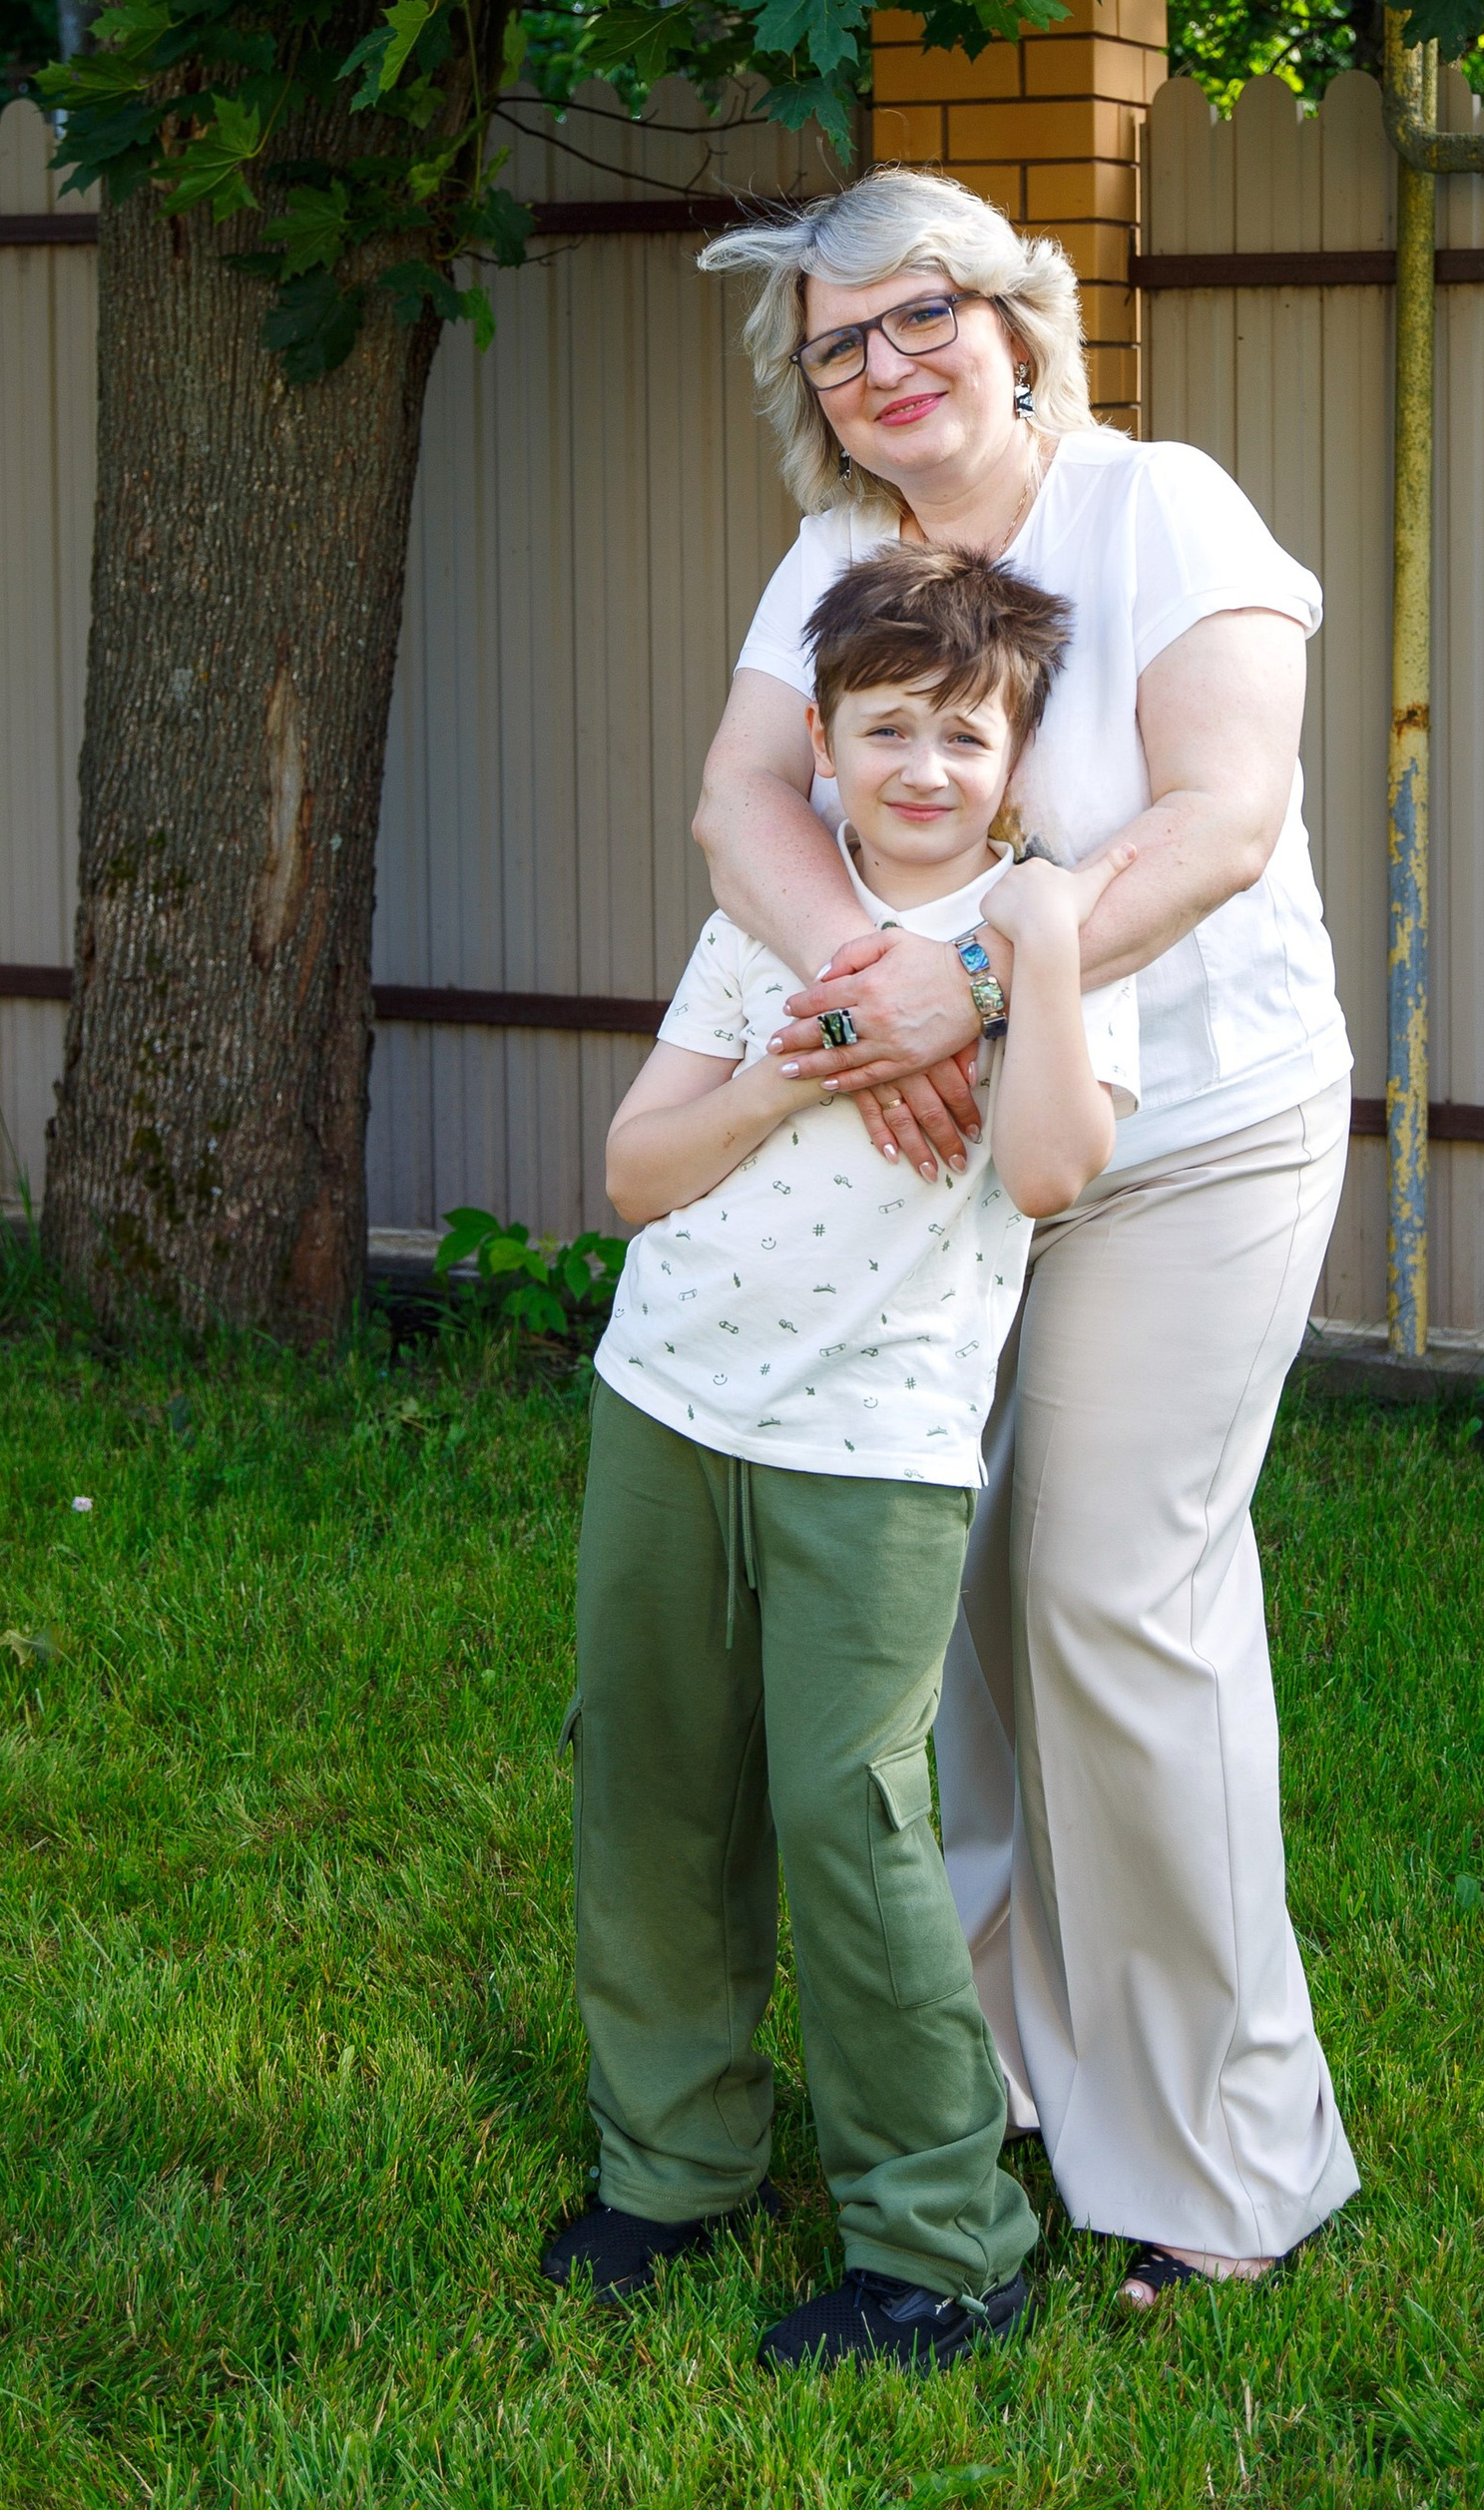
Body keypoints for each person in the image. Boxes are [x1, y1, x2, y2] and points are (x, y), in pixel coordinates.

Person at [695, 170, 1359, 2309]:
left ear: (1013, 318)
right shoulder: (833, 557)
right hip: (950, 1143)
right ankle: (981, 2075)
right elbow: (740, 805)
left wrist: (955, 984)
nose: (885, 365)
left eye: (923, 315)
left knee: (1109, 1595)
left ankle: (1223, 2155)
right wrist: (862, 1004)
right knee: (943, 1599)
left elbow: (1220, 818)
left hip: (1198, 1135)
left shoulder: (1162, 508)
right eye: (838, 343)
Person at [545, 544, 1140, 2373]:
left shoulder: (1046, 948)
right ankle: (674, 2165)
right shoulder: (768, 926)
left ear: (1018, 763)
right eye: (885, 728)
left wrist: (1041, 946)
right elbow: (635, 1173)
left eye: (965, 734)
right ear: (822, 742)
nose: (924, 766)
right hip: (668, 1397)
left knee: (852, 1816)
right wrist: (789, 1072)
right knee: (651, 1781)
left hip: (873, 1446)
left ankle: (944, 2240)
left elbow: (1049, 1173)